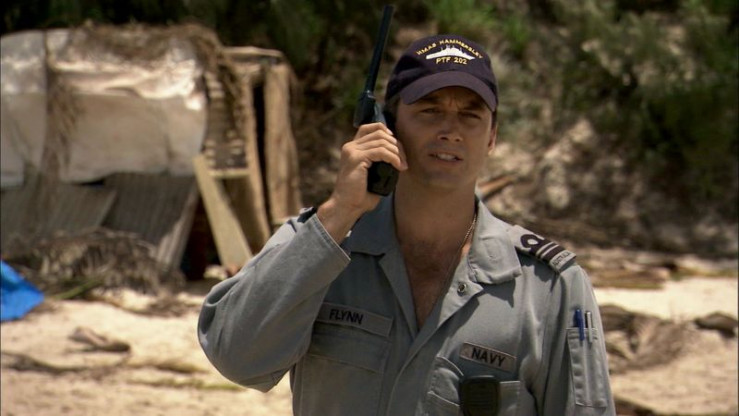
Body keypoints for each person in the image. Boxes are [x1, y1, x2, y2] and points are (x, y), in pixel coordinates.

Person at [198, 34, 616, 416]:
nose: (450, 130)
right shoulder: (319, 244)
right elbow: (237, 358)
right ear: (388, 126)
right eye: (430, 110)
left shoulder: (547, 287)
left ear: (492, 137)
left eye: (470, 115)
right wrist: (339, 212)